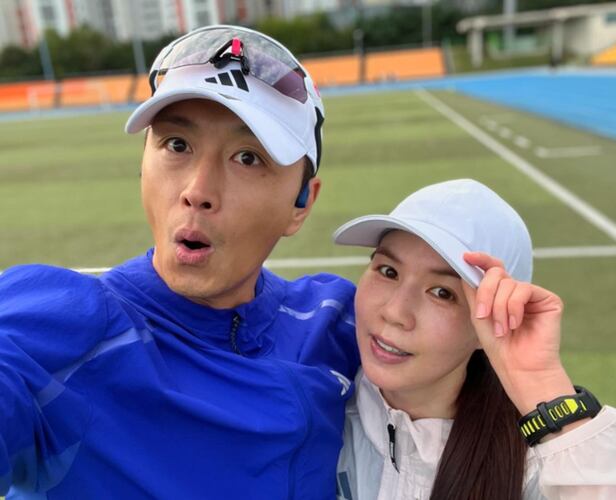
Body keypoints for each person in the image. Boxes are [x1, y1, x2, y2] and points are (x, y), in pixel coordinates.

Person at [0, 26, 360, 499]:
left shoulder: (341, 324)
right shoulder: (65, 330)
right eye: (176, 145)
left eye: (247, 158)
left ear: (301, 203)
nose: (197, 191)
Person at [334, 179, 616, 500]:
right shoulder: (317, 404)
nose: (395, 312)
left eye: (442, 293)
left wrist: (542, 385)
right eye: (388, 271)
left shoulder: (539, 463)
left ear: (490, 325)